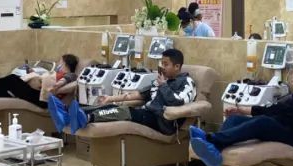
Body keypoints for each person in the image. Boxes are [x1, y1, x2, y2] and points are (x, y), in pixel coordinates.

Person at [188, 61, 293, 166]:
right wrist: (243, 110)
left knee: (263, 122)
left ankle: (211, 140)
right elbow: (276, 109)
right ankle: (215, 154)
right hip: (280, 125)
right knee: (234, 119)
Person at [57, 48, 196, 135]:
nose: (162, 67)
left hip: (162, 122)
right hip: (147, 113)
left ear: (177, 66)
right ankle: (67, 113)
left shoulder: (186, 82)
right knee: (112, 107)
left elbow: (178, 101)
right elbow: (138, 94)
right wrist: (111, 98)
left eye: (166, 64)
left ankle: (87, 118)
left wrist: (163, 86)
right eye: (162, 64)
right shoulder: (161, 80)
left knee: (124, 111)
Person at [0, 54, 79, 106]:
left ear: (65, 63)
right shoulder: (56, 73)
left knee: (12, 80)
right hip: (36, 93)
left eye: (60, 62)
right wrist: (34, 74)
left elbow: (63, 82)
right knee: (7, 89)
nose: (58, 64)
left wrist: (54, 85)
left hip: (43, 100)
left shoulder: (71, 75)